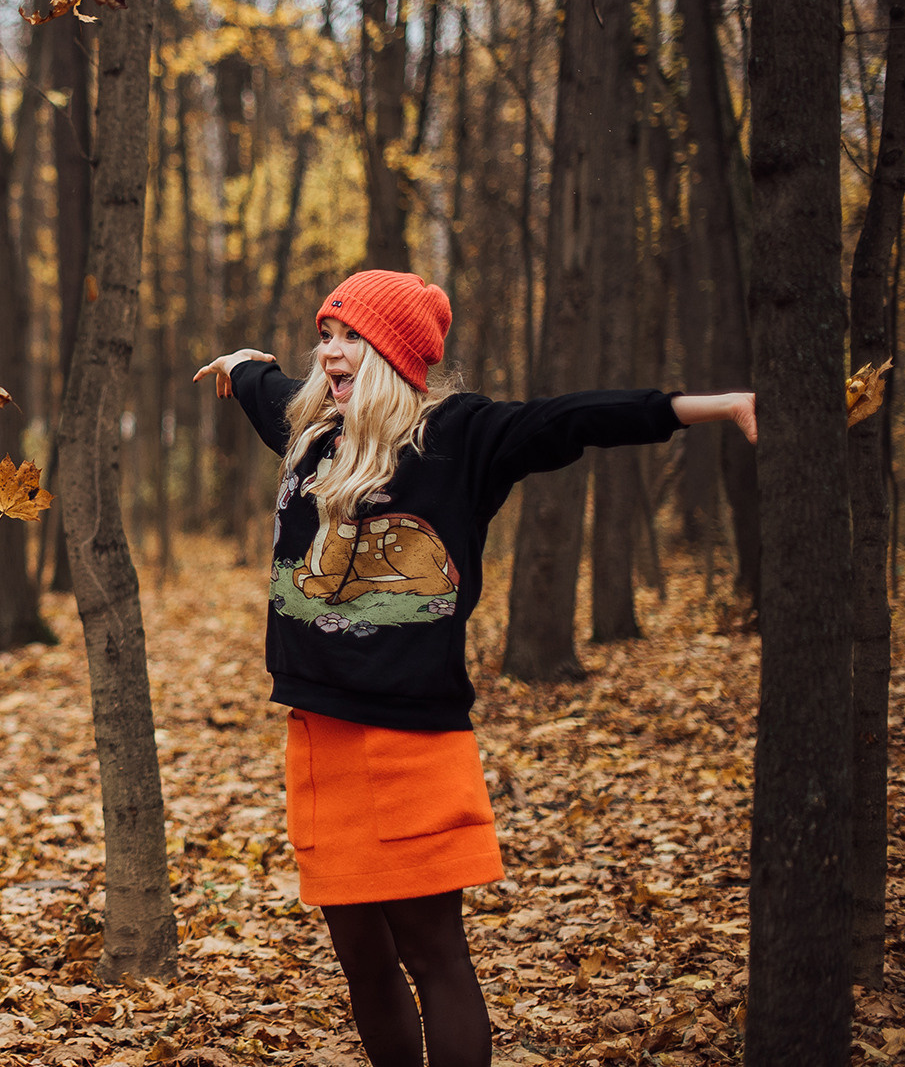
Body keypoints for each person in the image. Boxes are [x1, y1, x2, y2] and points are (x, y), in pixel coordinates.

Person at [192, 269, 754, 1067]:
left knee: (433, 954)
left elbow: (576, 418)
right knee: (360, 955)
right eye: (325, 334)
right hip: (321, 739)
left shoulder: (458, 436)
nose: (329, 351)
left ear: (392, 352)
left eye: (349, 337)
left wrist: (714, 406)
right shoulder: (313, 429)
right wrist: (241, 360)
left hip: (413, 740)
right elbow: (262, 382)